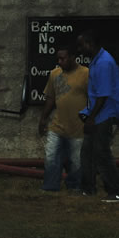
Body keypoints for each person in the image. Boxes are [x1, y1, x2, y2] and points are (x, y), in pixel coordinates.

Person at [37, 44, 88, 192]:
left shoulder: (86, 74)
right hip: (57, 126)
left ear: (73, 57)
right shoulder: (55, 74)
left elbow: (94, 98)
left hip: (78, 128)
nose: (59, 62)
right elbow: (50, 98)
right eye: (58, 59)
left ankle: (74, 188)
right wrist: (43, 119)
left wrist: (91, 119)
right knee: (51, 157)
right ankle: (50, 186)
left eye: (63, 58)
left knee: (76, 161)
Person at [77, 30, 119, 202]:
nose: (79, 49)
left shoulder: (103, 63)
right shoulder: (96, 61)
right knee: (87, 152)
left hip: (106, 115)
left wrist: (91, 118)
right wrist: (87, 113)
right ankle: (88, 189)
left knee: (102, 153)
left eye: (81, 45)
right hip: (98, 114)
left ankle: (115, 191)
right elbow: (96, 95)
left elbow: (103, 96)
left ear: (90, 44)